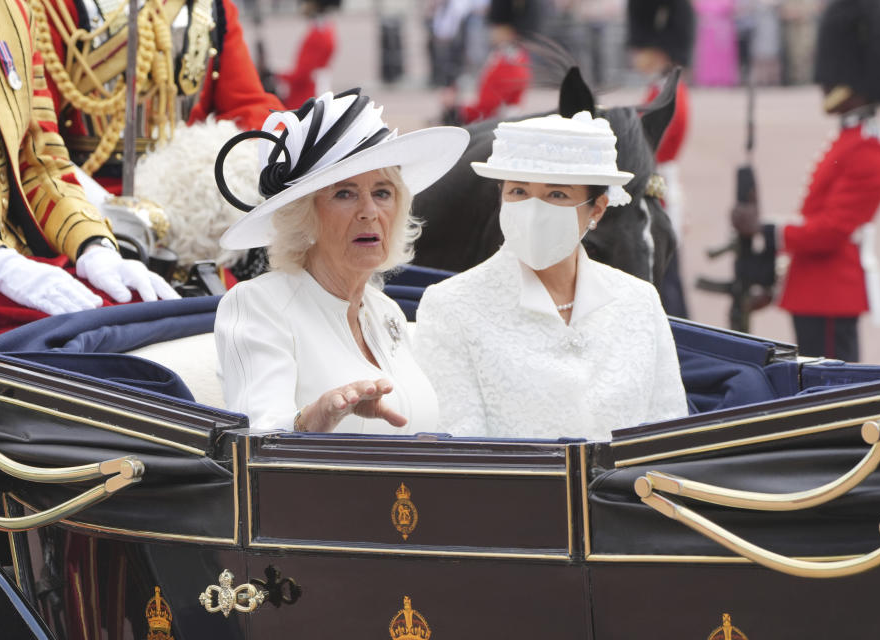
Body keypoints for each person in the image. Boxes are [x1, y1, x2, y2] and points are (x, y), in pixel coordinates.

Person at [414, 112, 688, 440]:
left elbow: (669, 432)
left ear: (597, 209)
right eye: (518, 192)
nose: (533, 211)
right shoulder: (449, 306)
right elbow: (462, 446)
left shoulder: (639, 301)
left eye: (556, 195)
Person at [213, 90, 469, 433]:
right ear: (305, 217)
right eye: (344, 194)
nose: (369, 212)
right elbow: (257, 440)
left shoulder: (386, 310)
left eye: (382, 193)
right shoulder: (258, 304)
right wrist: (314, 419)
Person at [0, 0, 178, 348]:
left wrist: (94, 244)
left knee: (144, 317)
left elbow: (40, 159)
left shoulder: (14, 10)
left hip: (14, 262)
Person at [732, 0, 880, 362]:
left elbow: (829, 231)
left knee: (830, 397)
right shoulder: (852, 138)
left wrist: (764, 231)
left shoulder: (870, 150)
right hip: (814, 289)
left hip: (830, 295)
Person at [34, 0, 285, 191]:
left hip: (187, 197)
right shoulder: (57, 8)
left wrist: (286, 144)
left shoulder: (211, 7)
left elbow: (248, 106)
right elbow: (37, 134)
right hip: (81, 193)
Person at [627, 0, 696, 318]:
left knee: (665, 285)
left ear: (659, 50)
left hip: (657, 189)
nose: (635, 55)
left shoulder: (668, 94)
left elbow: (649, 144)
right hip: (660, 184)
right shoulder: (663, 90)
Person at [441, 0, 534, 125]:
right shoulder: (518, 57)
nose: (491, 32)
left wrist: (456, 110)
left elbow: (487, 107)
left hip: (493, 125)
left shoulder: (506, 62)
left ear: (507, 31)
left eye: (495, 28)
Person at [276, 0, 338, 110]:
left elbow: (302, 73)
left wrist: (277, 74)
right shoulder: (326, 29)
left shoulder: (318, 34)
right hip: (315, 88)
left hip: (307, 94)